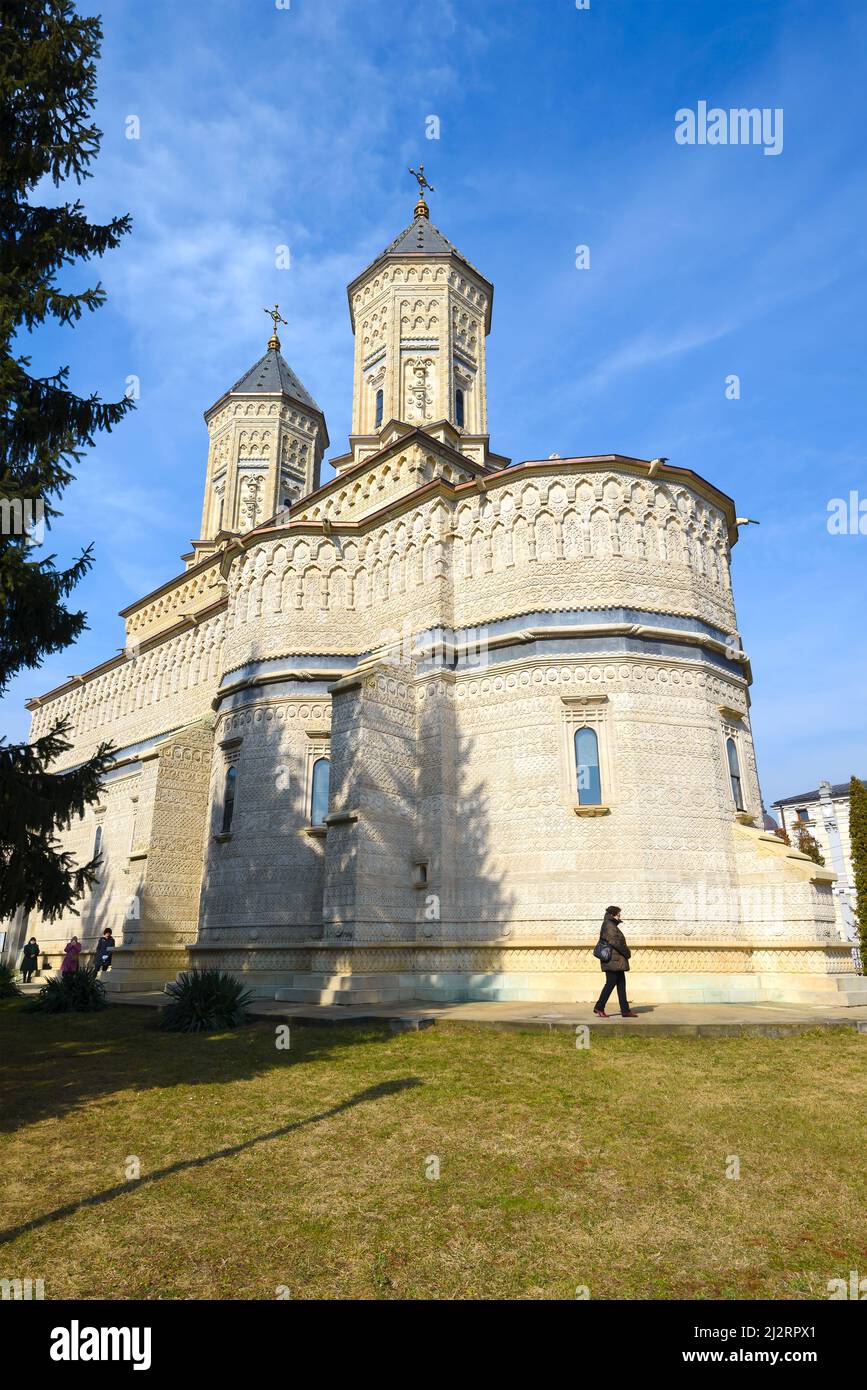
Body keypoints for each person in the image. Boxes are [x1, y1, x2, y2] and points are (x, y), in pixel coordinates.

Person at [593, 905, 638, 1018]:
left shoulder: (611, 924)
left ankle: (625, 1010)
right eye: (618, 914)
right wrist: (627, 953)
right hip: (611, 960)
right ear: (613, 915)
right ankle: (599, 1007)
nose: (619, 916)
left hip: (616, 960)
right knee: (610, 983)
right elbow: (616, 942)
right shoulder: (609, 925)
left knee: (621, 984)